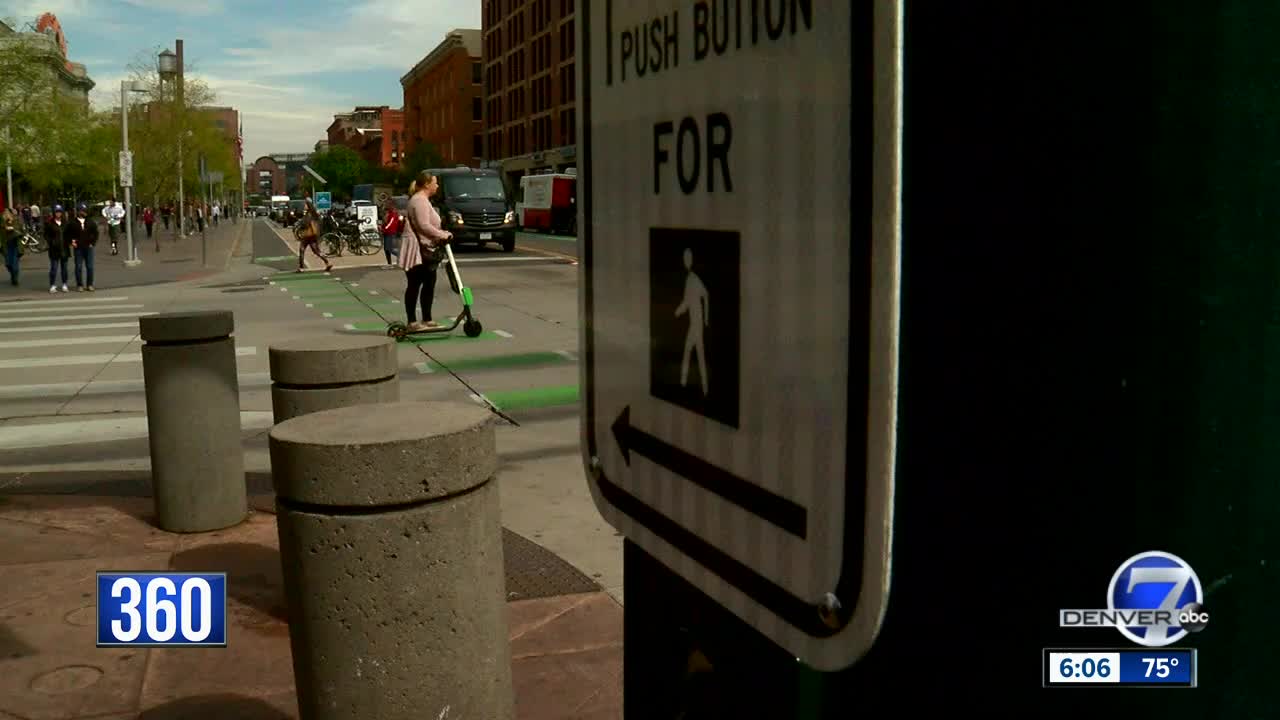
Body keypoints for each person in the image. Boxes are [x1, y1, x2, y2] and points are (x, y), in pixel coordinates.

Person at [399, 171, 453, 330]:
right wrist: (443, 235)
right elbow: (424, 225)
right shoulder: (419, 201)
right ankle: (412, 322)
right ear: (427, 184)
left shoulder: (423, 200)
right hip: (418, 249)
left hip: (425, 248)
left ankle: (427, 319)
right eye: (435, 182)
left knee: (429, 283)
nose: (437, 185)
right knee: (415, 284)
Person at [69, 203, 99, 291]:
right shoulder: (73, 222)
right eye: (82, 210)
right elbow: (67, 234)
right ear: (78, 211)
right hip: (78, 248)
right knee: (78, 267)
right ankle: (80, 285)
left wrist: (92, 243)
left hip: (88, 247)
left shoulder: (90, 222)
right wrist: (71, 241)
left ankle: (89, 284)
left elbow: (96, 233)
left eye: (85, 210)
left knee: (90, 266)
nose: (84, 212)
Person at [297, 198, 332, 273]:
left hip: (307, 235)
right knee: (316, 251)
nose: (304, 206)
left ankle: (301, 267)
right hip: (313, 235)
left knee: (301, 249)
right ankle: (327, 263)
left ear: (308, 206)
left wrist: (301, 223)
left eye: (305, 204)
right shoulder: (314, 213)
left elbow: (305, 224)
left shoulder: (308, 214)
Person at [44, 205, 70, 292]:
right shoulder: (50, 223)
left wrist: (70, 241)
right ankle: (52, 285)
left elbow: (69, 234)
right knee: (54, 268)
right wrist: (51, 242)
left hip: (64, 248)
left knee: (64, 268)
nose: (58, 214)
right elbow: (46, 235)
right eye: (56, 212)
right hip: (54, 249)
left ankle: (64, 284)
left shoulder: (65, 223)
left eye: (59, 212)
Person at [379, 198, 402, 268]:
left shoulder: (393, 213)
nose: (386, 205)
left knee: (390, 249)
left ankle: (403, 257)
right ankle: (389, 263)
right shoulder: (388, 212)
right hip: (387, 232)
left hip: (391, 232)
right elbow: (385, 222)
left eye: (387, 204)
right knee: (387, 249)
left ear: (391, 205)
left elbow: (391, 224)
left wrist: (383, 229)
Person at [1, 209, 20, 286]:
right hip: (6, 247)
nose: (6, 215)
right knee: (8, 264)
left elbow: (20, 231)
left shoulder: (15, 222)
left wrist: (13, 229)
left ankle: (15, 278)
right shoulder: (2, 224)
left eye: (8, 213)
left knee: (15, 264)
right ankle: (12, 275)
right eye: (5, 214)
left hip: (15, 246)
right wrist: (5, 228)